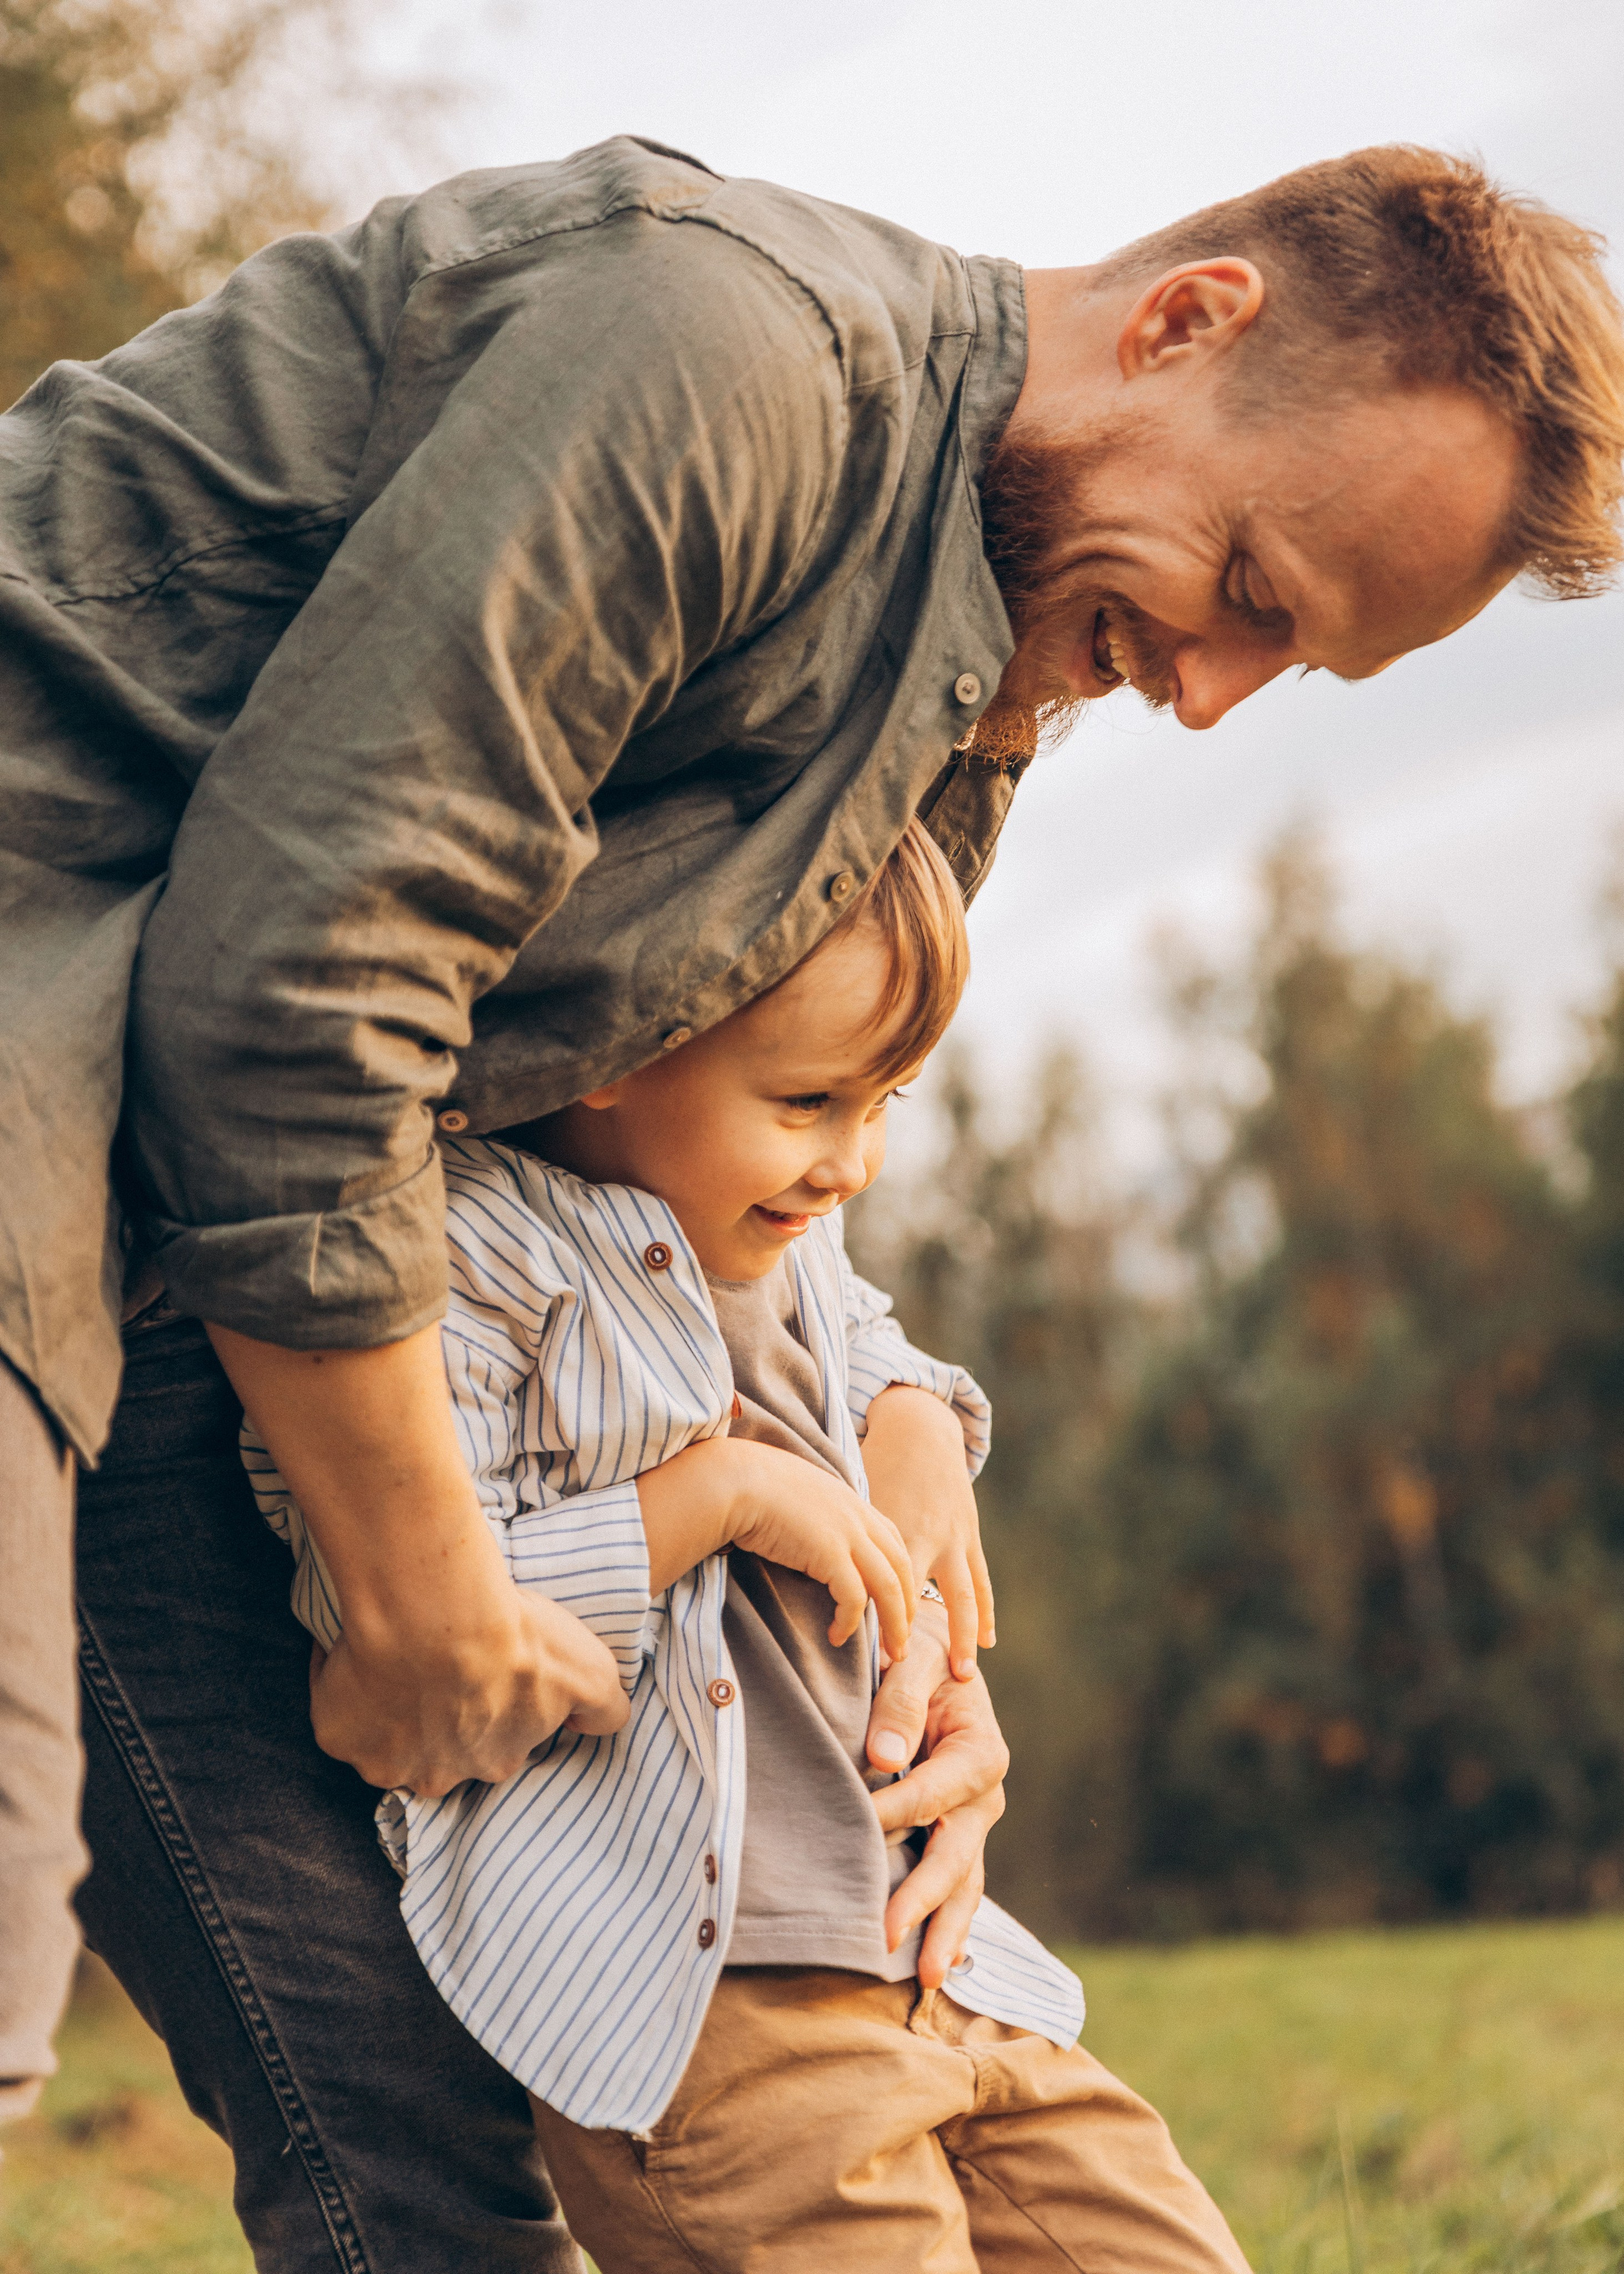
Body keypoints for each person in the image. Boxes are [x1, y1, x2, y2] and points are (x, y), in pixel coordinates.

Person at [1, 130, 1618, 2264]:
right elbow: (298, 980)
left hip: (226, 1263)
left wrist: (904, 1491)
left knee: (424, 2150)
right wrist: (418, 1588)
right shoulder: (724, 355)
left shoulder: (984, 669)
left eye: (1295, 667)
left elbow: (720, 1159)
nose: (1211, 693)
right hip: (67, 1125)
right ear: (1186, 321)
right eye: (1251, 587)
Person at [242, 820, 1248, 2273]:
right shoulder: (451, 1265)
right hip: (721, 2017)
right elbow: (412, 1633)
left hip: (937, 1960)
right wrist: (709, 1498)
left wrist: (917, 1415)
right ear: (619, 1036)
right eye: (808, 1101)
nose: (851, 1164)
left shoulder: (769, 1232)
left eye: (884, 1102)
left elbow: (869, 1347)